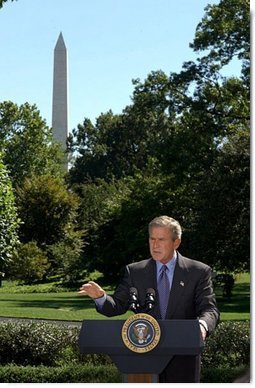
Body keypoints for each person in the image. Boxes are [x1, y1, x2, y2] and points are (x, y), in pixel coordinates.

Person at [78, 215, 219, 383]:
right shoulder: (135, 271)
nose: (155, 245)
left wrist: (202, 326)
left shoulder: (198, 271)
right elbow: (117, 306)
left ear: (176, 242)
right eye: (152, 239)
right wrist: (101, 297)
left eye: (161, 239)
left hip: (183, 360)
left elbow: (209, 309)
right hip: (142, 359)